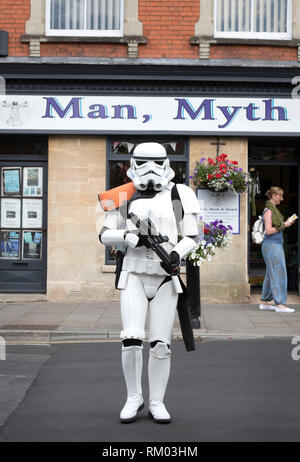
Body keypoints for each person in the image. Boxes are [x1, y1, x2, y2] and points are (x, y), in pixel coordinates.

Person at [99, 142, 199, 423]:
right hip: (133, 274)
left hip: (165, 277)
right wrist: (126, 237)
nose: (150, 169)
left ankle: (157, 400)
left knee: (160, 344)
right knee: (131, 338)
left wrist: (176, 253)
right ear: (133, 163)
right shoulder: (123, 195)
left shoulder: (180, 194)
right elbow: (105, 233)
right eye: (142, 162)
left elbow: (191, 234)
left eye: (156, 162)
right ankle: (134, 397)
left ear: (167, 163)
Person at [259, 186, 296, 313]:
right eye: (280, 196)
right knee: (279, 273)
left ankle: (264, 302)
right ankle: (280, 304)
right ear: (274, 196)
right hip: (271, 245)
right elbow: (268, 231)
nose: (282, 198)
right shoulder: (269, 211)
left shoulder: (272, 210)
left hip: (274, 245)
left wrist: (284, 224)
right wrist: (284, 225)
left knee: (271, 273)